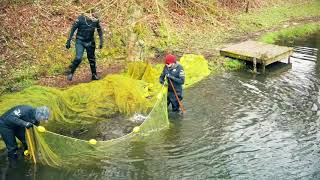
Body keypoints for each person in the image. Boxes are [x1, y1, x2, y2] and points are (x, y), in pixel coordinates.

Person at [65, 9, 104, 81]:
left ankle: (94, 75)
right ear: (89, 14)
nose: (94, 17)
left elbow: (100, 30)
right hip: (80, 41)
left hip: (90, 41)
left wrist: (101, 41)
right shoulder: (80, 19)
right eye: (93, 15)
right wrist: (68, 41)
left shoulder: (96, 20)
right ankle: (71, 73)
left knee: (92, 59)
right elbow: (72, 29)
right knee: (78, 58)